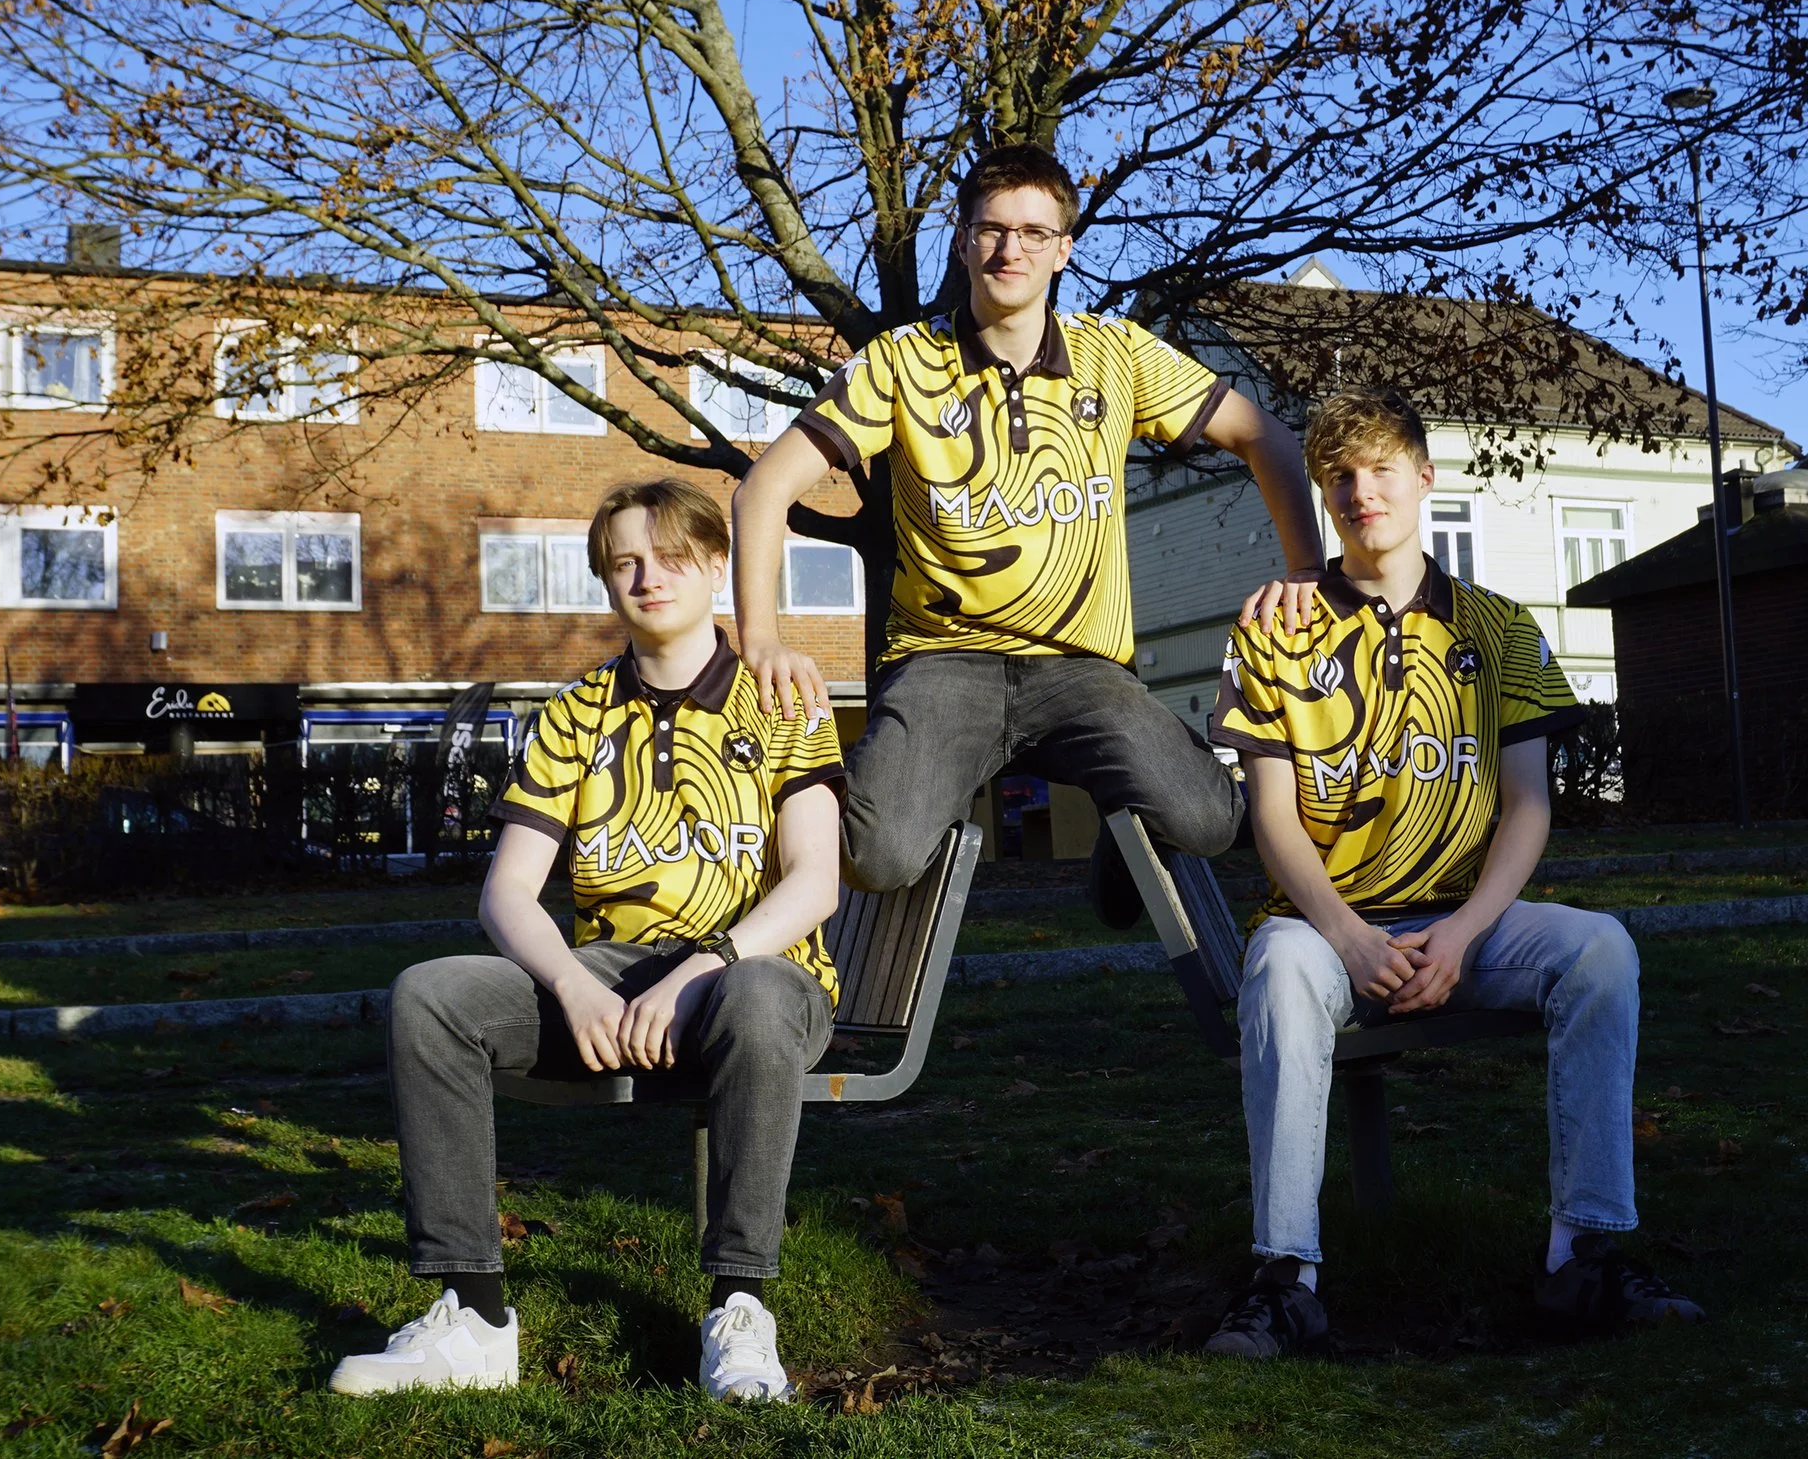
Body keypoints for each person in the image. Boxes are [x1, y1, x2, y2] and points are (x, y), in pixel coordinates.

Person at [1200, 387, 1704, 1357]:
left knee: (1600, 948)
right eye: (1340, 475)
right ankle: (1286, 1276)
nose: (1361, 491)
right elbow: (1271, 816)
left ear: (1425, 477)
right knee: (1279, 965)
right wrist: (1350, 936)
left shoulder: (1499, 627)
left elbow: (1528, 804)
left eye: (1381, 468)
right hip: (1328, 927)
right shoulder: (1272, 630)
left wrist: (1466, 933)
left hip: (1467, 924)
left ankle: (1583, 1254)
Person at [329, 479, 846, 1402]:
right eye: (625, 562)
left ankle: (740, 1308)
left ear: (717, 565)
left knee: (760, 996)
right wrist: (574, 986)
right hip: (610, 979)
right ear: (606, 580)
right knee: (430, 996)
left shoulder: (782, 699)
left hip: (754, 971)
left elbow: (815, 879)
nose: (649, 578)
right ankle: (473, 1316)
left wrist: (706, 966)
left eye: (671, 557)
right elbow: (508, 892)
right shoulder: (575, 713)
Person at [729, 143, 1324, 908]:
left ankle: (1123, 836)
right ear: (962, 239)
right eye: (992, 229)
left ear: (1063, 249)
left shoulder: (1116, 355)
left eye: (1035, 232)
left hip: (1083, 668)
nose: (1011, 249)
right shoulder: (902, 362)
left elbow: (1265, 436)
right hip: (945, 661)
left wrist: (1308, 570)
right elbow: (762, 489)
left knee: (1210, 818)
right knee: (878, 854)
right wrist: (762, 638)